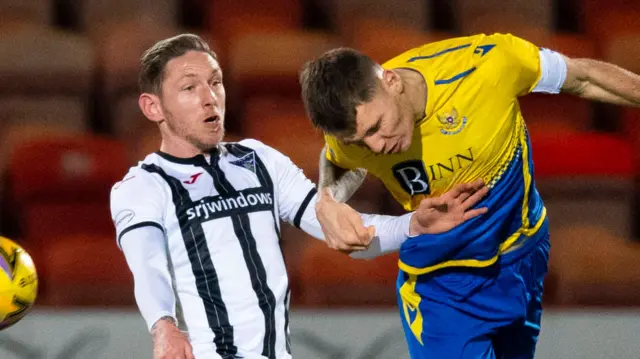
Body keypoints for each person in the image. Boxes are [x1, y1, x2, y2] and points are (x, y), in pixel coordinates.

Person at [109, 33, 490, 359]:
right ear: (152, 106)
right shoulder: (142, 187)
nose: (210, 98)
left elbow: (339, 230)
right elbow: (148, 266)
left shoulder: (259, 160)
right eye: (190, 87)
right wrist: (163, 326)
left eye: (216, 82)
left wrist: (413, 225)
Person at [299, 32, 640, 359]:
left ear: (391, 81)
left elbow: (582, 78)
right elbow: (340, 161)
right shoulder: (354, 132)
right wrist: (327, 198)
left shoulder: (488, 66)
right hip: (443, 282)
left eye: (375, 128)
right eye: (361, 141)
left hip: (523, 257)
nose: (375, 147)